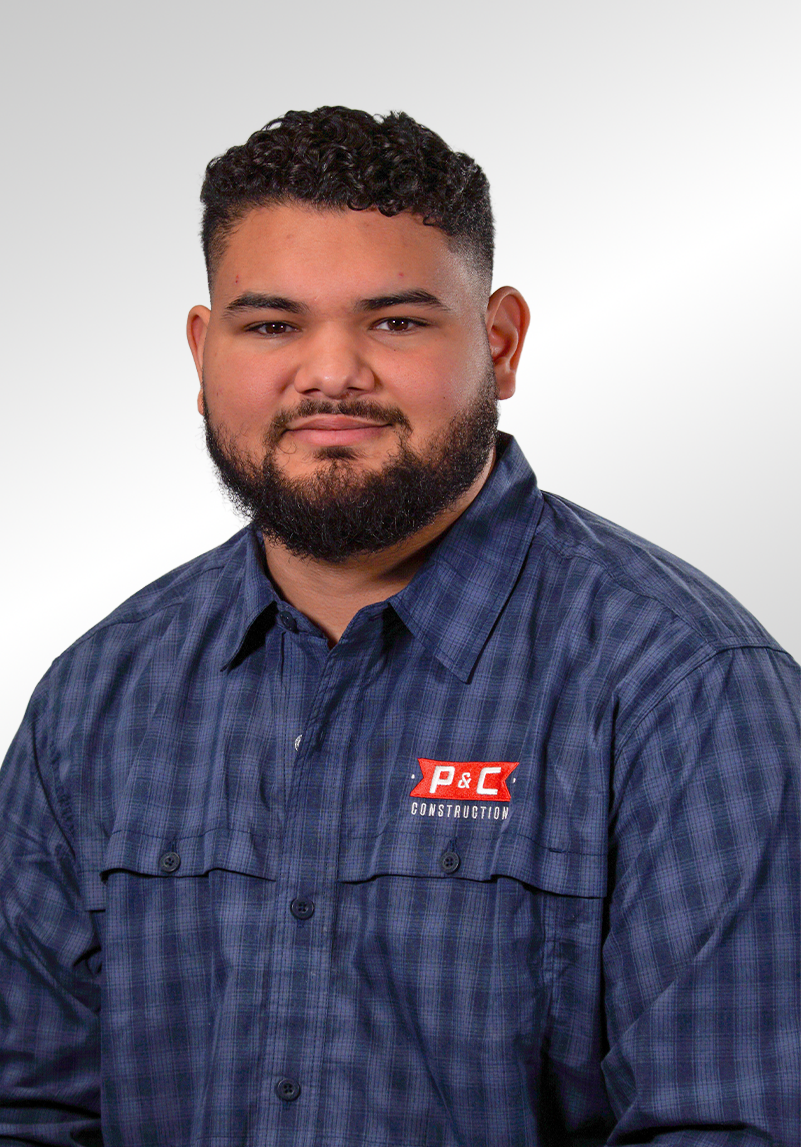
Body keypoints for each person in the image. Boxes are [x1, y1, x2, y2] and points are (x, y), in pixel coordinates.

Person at [0, 107, 797, 1147]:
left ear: (500, 343)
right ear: (204, 353)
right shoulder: (98, 695)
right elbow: (28, 1111)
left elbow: (732, 1127)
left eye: (397, 321)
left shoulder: (687, 693)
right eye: (273, 325)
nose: (332, 373)